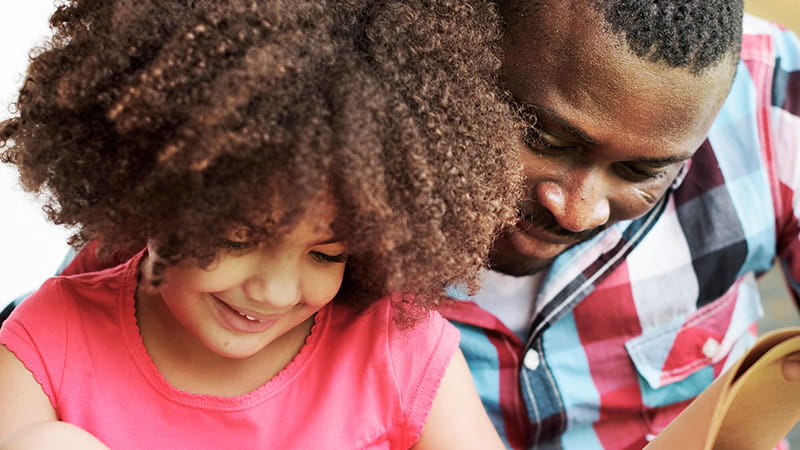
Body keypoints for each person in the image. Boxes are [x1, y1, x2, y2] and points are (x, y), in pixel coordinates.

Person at [0, 0, 523, 448]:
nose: (275, 291)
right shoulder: (49, 346)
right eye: (236, 238)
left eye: (326, 254)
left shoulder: (394, 348)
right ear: (150, 190)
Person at [441, 0, 800, 448]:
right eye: (544, 139)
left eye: (640, 172)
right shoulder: (347, 152)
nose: (576, 211)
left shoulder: (772, 92)